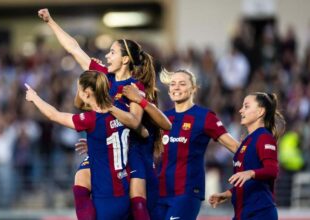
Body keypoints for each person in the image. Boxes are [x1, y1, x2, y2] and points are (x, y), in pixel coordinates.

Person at [38, 8, 171, 220]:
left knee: (137, 206)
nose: (107, 56)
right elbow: (74, 49)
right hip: (110, 151)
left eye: (112, 52)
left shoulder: (134, 87)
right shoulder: (103, 78)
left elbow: (138, 124)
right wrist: (51, 22)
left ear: (125, 59)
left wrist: (110, 110)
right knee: (81, 179)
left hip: (134, 152)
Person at [25, 70, 132, 220]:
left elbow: (54, 115)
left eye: (79, 89)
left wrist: (34, 98)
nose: (77, 92)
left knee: (81, 177)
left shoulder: (90, 119)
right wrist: (96, 145)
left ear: (87, 93)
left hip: (106, 198)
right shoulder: (122, 108)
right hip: (126, 192)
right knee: (83, 171)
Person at [155, 69, 239, 220]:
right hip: (159, 192)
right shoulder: (163, 117)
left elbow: (234, 147)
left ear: (193, 89)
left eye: (182, 84)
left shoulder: (205, 117)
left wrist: (257, 156)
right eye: (173, 84)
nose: (176, 87)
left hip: (186, 193)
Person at [209, 92, 285, 220]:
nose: (240, 110)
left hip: (260, 213)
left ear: (260, 111)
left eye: (246, 106)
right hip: (242, 214)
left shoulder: (264, 137)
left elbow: (272, 170)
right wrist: (228, 194)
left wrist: (250, 173)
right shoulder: (247, 141)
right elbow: (248, 183)